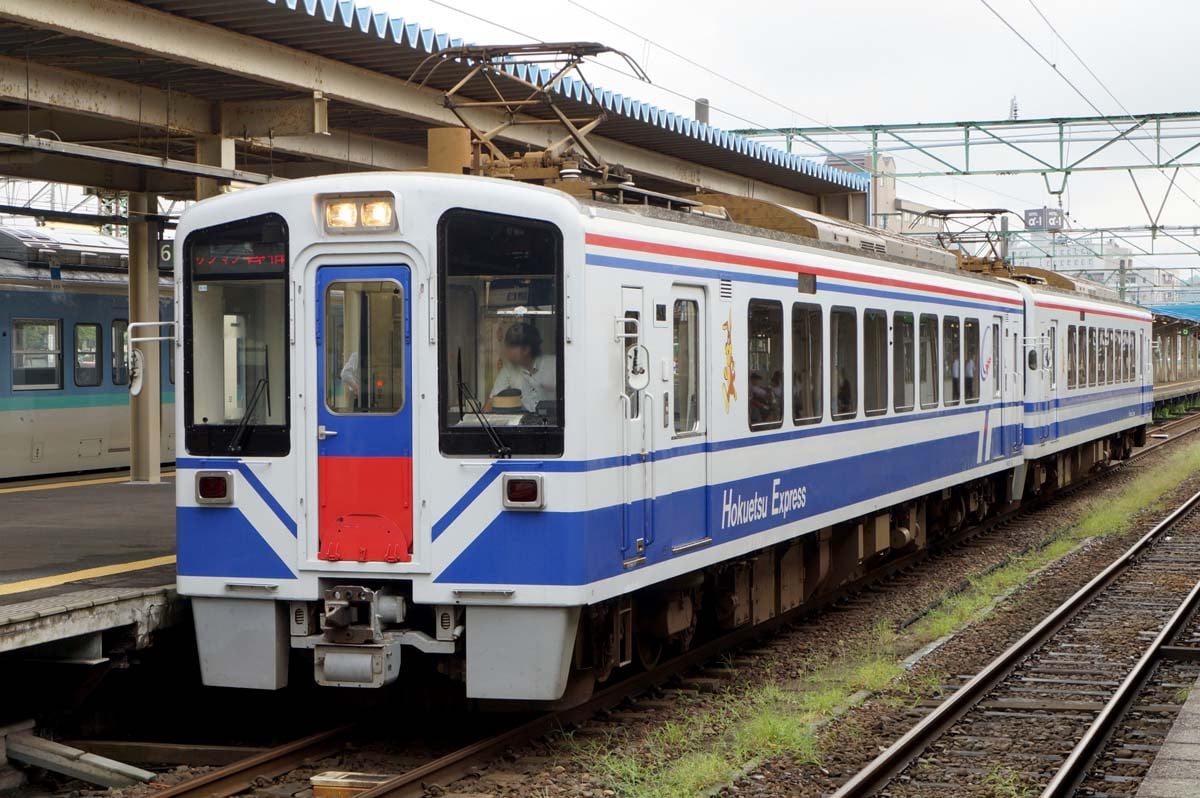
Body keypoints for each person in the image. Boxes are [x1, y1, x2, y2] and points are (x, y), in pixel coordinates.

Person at [484, 322, 556, 413]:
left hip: (553, 423)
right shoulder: (508, 369)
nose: (506, 351)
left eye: (510, 347)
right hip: (522, 424)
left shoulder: (554, 365)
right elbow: (491, 402)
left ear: (526, 349)